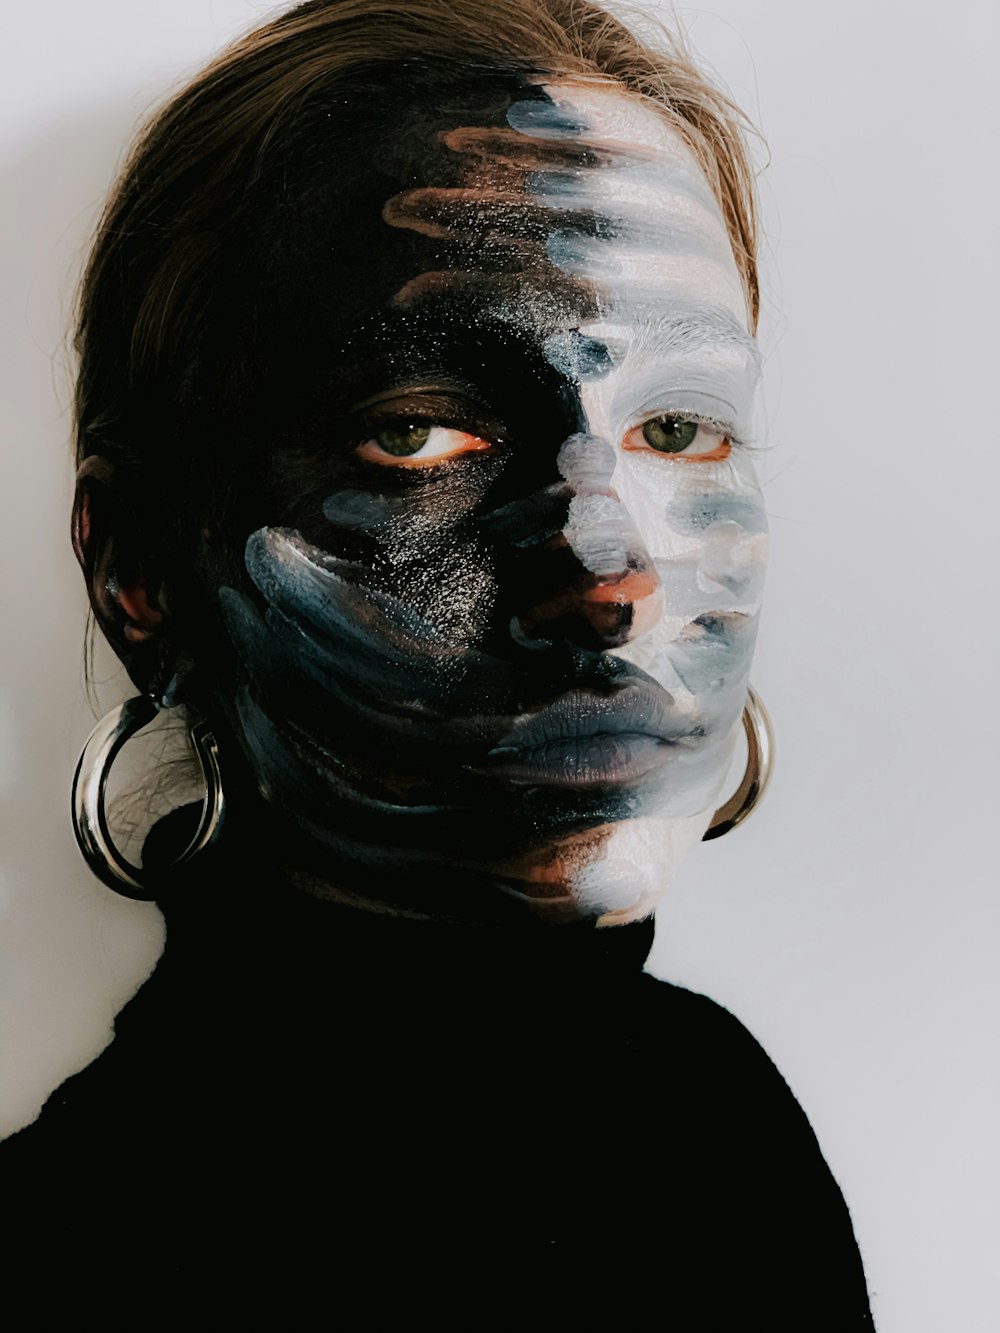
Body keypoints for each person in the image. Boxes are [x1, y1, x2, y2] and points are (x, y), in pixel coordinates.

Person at [7, 0, 874, 1319]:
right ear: (141, 570)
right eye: (421, 435)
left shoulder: (725, 1143)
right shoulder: (70, 1253)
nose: (609, 574)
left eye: (684, 425)